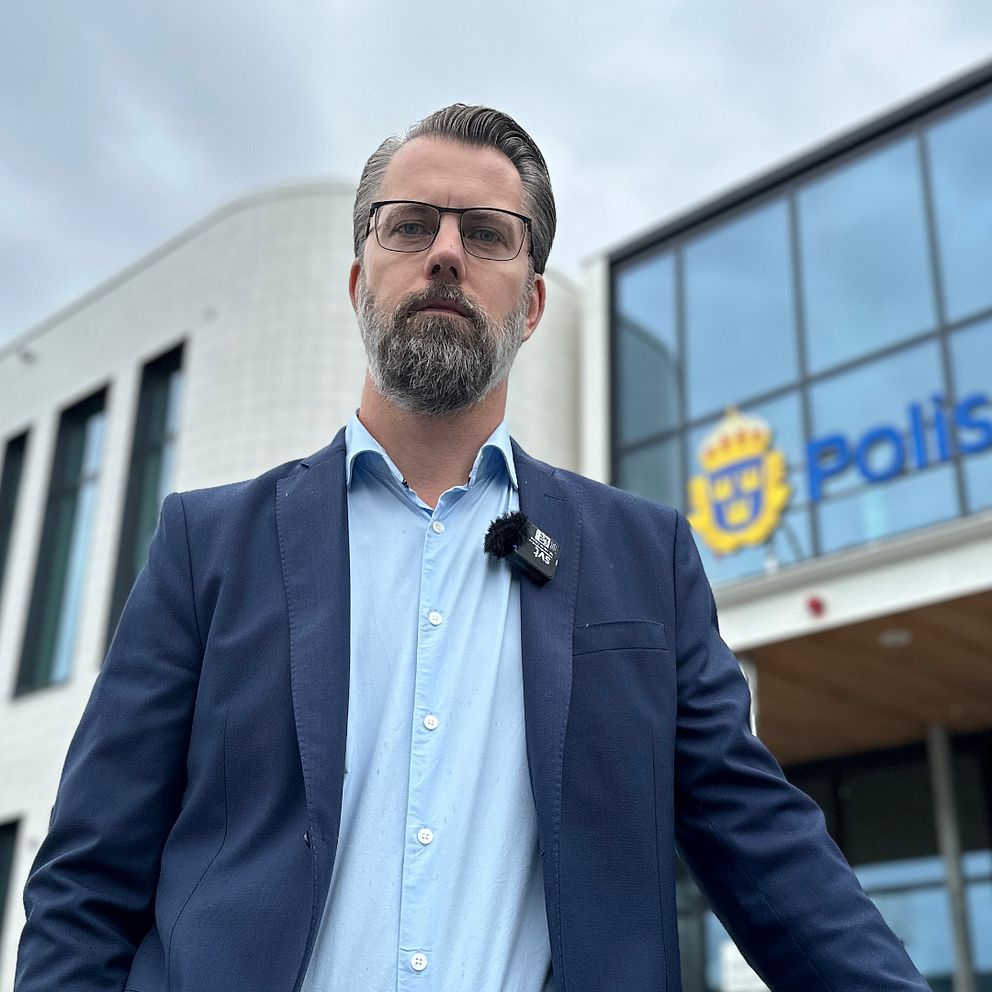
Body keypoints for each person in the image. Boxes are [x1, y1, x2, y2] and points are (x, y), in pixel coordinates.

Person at [16, 105, 929, 992]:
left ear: (532, 305)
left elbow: (765, 847)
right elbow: (88, 881)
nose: (446, 253)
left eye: (488, 234)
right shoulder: (206, 547)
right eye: (410, 226)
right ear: (358, 283)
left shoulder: (644, 560)